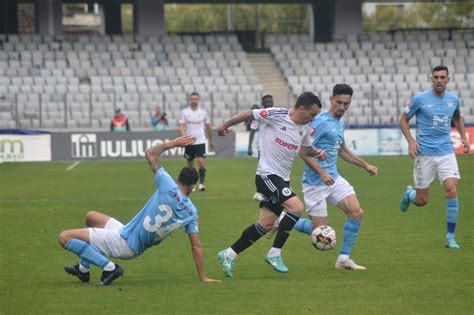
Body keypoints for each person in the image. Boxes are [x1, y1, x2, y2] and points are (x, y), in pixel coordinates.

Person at [58, 135, 220, 285]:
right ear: (193, 186)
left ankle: (109, 268)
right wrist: (203, 277)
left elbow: (150, 153)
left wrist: (174, 143)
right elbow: (196, 246)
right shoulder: (192, 212)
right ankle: (83, 270)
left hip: (124, 242)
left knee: (64, 237)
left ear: (178, 179)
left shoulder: (168, 185)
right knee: (91, 217)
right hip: (130, 236)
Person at [216, 92, 327, 278]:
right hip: (266, 175)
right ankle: (274, 253)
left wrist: (317, 153)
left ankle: (228, 254)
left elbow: (306, 149)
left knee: (266, 224)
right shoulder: (277, 115)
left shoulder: (305, 128)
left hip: (282, 179)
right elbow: (248, 114)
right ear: (301, 109)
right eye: (312, 114)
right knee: (297, 207)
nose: (314, 118)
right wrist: (224, 125)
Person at [287, 84, 378, 270]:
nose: (342, 107)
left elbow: (342, 150)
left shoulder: (340, 123)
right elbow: (303, 152)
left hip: (333, 178)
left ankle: (343, 260)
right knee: (319, 231)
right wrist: (321, 172)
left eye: (346, 103)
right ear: (331, 99)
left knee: (356, 212)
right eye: (339, 102)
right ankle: (282, 220)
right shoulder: (319, 121)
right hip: (315, 182)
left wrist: (365, 165)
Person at [399, 65, 470, 249]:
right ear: (431, 78)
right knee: (422, 201)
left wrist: (463, 137)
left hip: (446, 152)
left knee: (451, 189)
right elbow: (403, 119)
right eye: (436, 77)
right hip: (425, 154)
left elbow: (458, 117)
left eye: (442, 77)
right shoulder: (420, 99)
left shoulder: (453, 100)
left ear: (448, 79)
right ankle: (409, 195)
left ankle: (450, 237)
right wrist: (410, 141)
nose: (439, 80)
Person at [179, 92, 214, 192]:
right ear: (190, 100)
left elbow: (208, 127)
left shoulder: (203, 112)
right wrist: (183, 137)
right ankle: (191, 184)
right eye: (192, 99)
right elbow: (181, 125)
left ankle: (202, 183)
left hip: (200, 141)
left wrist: (211, 140)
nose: (193, 100)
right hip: (189, 141)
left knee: (201, 162)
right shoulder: (185, 112)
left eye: (195, 99)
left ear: (198, 100)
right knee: (190, 164)